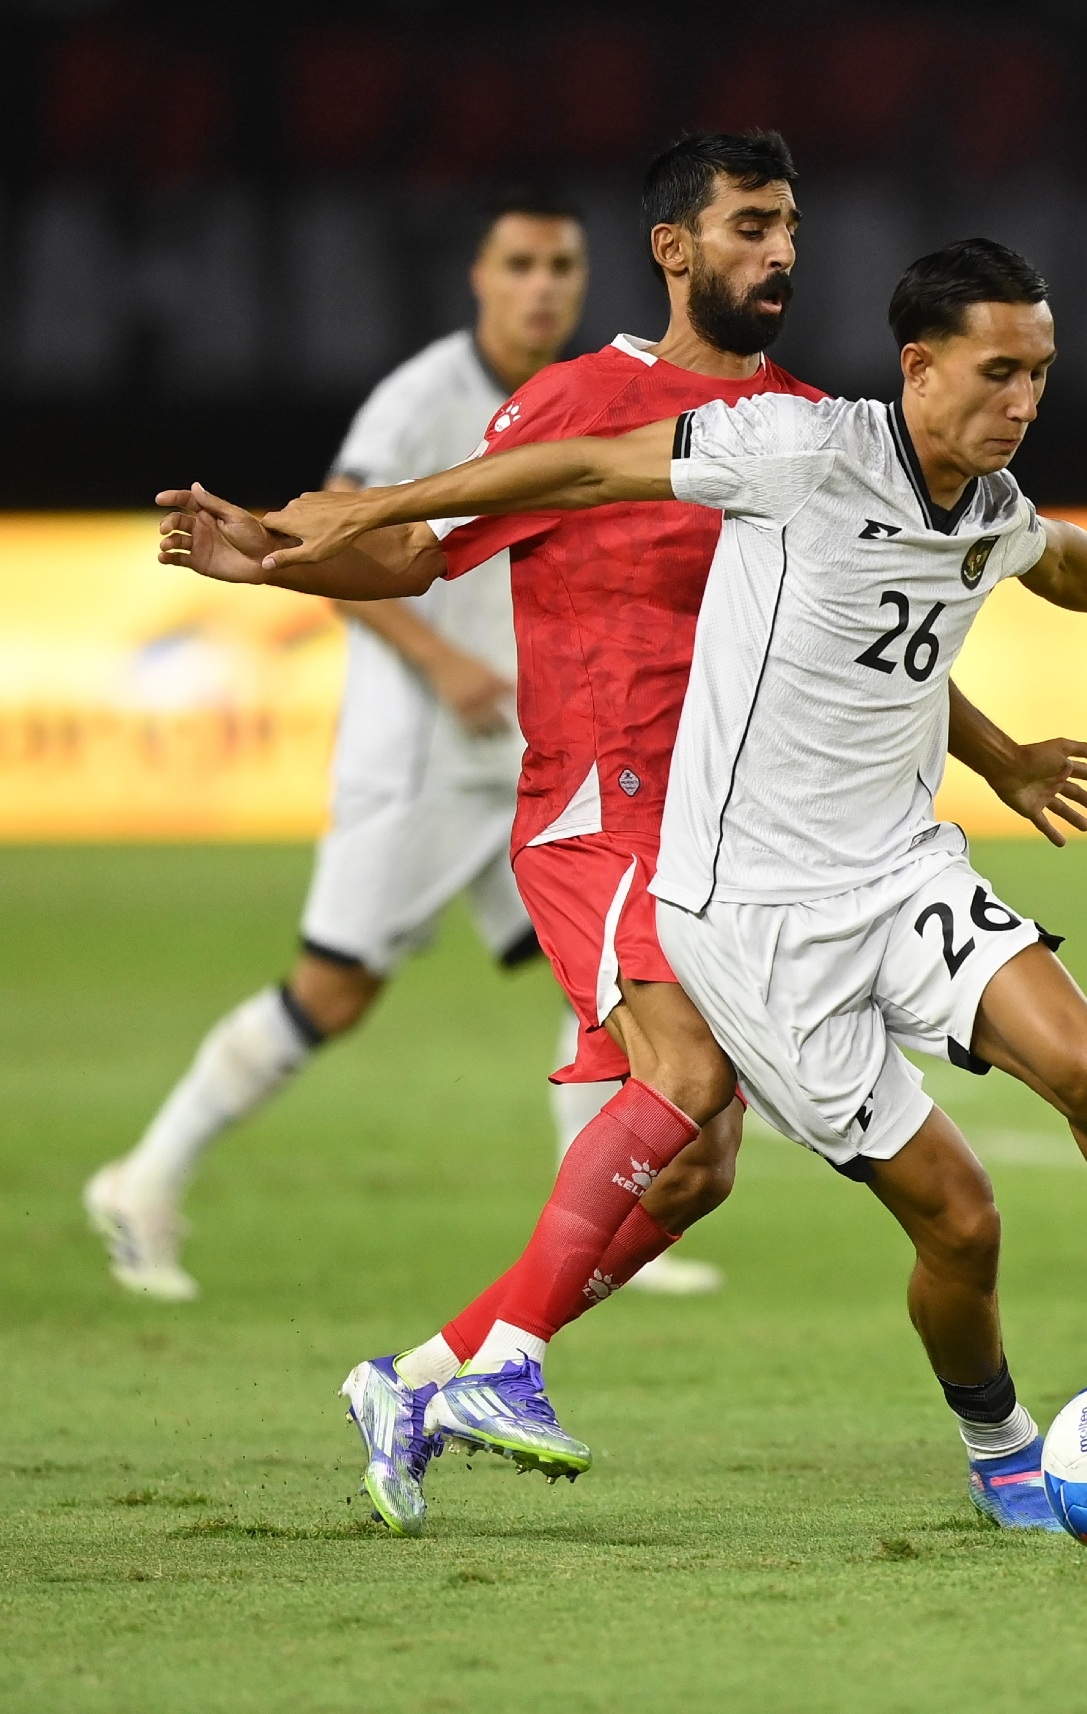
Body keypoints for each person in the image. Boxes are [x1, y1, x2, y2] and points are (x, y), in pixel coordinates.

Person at [163, 187, 1087, 1530]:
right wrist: (350, 519)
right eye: (1001, 372)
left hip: (898, 871)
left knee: (1080, 1075)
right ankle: (972, 1445)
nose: (1024, 401)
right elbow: (567, 478)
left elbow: (1042, 560)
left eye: (1040, 375)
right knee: (930, 1203)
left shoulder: (977, 499)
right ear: (917, 366)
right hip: (724, 886)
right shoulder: (784, 444)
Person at [84, 189, 708, 1297]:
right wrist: (444, 664)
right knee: (332, 991)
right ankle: (143, 1177)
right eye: (518, 264)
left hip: (527, 762)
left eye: (561, 266)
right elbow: (346, 545)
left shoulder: (580, 402)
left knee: (605, 986)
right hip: (420, 755)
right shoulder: (421, 399)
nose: (542, 286)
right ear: (479, 277)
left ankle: (599, 1213)